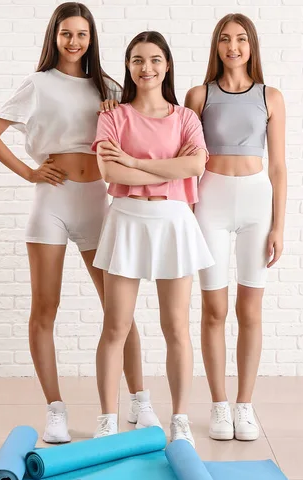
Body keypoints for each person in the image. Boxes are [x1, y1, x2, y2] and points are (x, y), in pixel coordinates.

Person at [0, 2, 159, 444]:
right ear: (54, 37)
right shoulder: (38, 84)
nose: (74, 42)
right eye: (66, 34)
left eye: (82, 34)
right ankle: (55, 409)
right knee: (45, 308)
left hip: (98, 203)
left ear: (91, 38)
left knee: (118, 311)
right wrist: (29, 171)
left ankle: (140, 400)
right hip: (52, 203)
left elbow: (145, 128)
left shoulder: (109, 87)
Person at [91, 31, 213, 447]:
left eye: (155, 59)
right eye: (138, 60)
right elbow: (112, 174)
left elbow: (195, 166)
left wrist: (135, 160)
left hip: (175, 222)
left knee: (176, 326)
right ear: (128, 66)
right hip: (127, 220)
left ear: (167, 65)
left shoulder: (185, 118)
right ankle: (107, 418)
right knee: (115, 326)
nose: (147, 68)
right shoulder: (112, 115)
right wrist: (164, 167)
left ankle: (179, 418)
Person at [185, 13, 287, 441]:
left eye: (241, 39)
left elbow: (279, 167)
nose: (233, 47)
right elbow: (186, 159)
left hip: (256, 203)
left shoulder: (271, 96)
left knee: (250, 309)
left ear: (252, 46)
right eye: (225, 39)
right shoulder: (198, 95)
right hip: (210, 202)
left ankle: (245, 405)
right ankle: (219, 405)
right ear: (216, 46)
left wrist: (279, 225)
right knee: (214, 309)